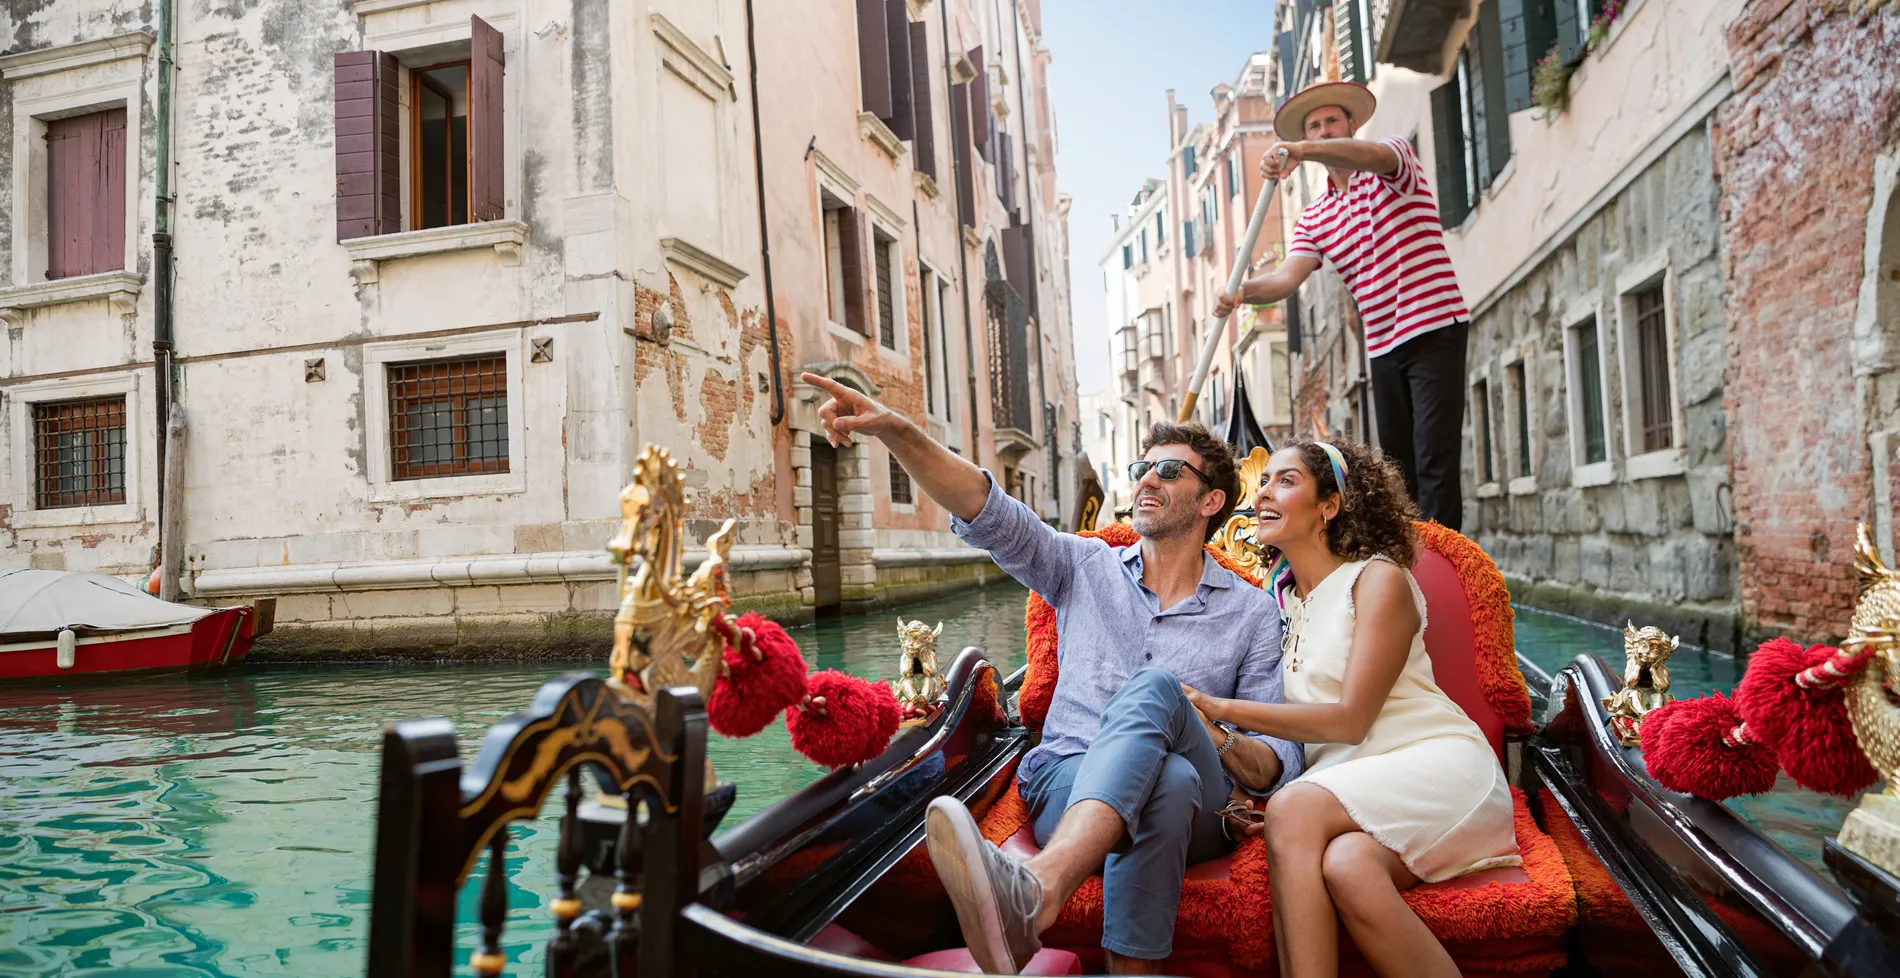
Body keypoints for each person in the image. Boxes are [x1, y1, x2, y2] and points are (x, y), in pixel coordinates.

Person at [801, 371, 1303, 976]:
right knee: (1163, 782)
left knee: (1161, 698)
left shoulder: (1250, 611)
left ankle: (1036, 888)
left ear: (1211, 501)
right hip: (1068, 777)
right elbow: (985, 510)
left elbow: (1277, 765)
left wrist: (1207, 724)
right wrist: (897, 431)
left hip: (1208, 804)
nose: (1146, 479)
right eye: (1142, 467)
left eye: (1168, 471)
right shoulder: (1081, 565)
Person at [1182, 440, 1518, 978]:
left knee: (1293, 809)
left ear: (1330, 506)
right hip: (1352, 785)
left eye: (1286, 481)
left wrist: (1219, 707)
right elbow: (1298, 740)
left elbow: (1349, 720)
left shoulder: (1377, 579)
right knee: (1347, 866)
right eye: (1264, 481)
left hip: (1437, 764)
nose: (1264, 492)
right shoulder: (1282, 603)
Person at [1214, 82, 1471, 530]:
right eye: (1315, 126)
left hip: (1433, 325)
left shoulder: (1392, 159)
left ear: (1352, 125)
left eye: (1332, 121)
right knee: (1399, 470)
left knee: (1436, 461)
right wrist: (1241, 292)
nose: (1324, 131)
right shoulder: (1315, 217)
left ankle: (1446, 568)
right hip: (1384, 343)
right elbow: (1286, 278)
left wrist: (1300, 149)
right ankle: (1407, 569)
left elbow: (1370, 157)